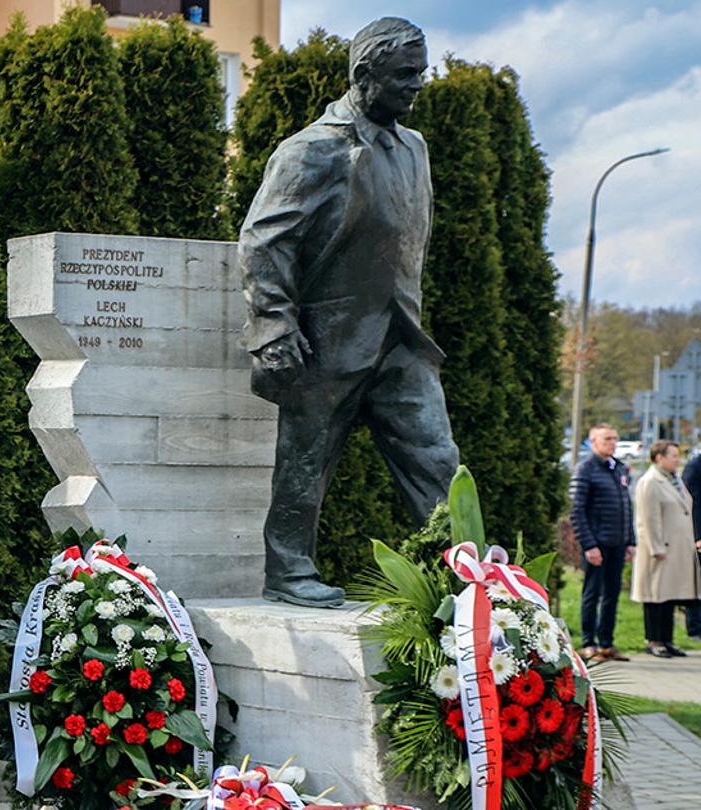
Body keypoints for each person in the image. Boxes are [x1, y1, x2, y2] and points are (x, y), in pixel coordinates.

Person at [237, 16, 459, 608]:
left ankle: (464, 577)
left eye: (421, 72)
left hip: (401, 340)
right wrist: (274, 326)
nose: (418, 84)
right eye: (405, 75)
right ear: (365, 75)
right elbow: (264, 241)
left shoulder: (415, 148)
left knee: (438, 459)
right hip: (325, 338)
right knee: (306, 460)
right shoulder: (313, 149)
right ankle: (288, 570)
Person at [570, 424, 635, 662]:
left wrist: (630, 541)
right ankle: (589, 643)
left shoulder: (618, 468)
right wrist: (589, 545)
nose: (613, 443)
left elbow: (626, 506)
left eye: (615, 439)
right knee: (592, 593)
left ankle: (607, 643)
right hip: (596, 543)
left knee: (612, 594)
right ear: (593, 441)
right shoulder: (585, 469)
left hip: (617, 542)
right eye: (607, 439)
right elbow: (576, 510)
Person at [633, 441, 701, 657]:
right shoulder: (651, 482)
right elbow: (648, 518)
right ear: (659, 457)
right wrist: (656, 547)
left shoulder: (674, 480)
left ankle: (667, 639)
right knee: (655, 596)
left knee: (669, 596)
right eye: (672, 455)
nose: (677, 459)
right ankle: (654, 640)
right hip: (660, 549)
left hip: (677, 548)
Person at [682, 448, 701, 641]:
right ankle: (695, 627)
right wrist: (697, 535)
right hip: (698, 534)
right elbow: (693, 505)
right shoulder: (694, 467)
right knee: (696, 582)